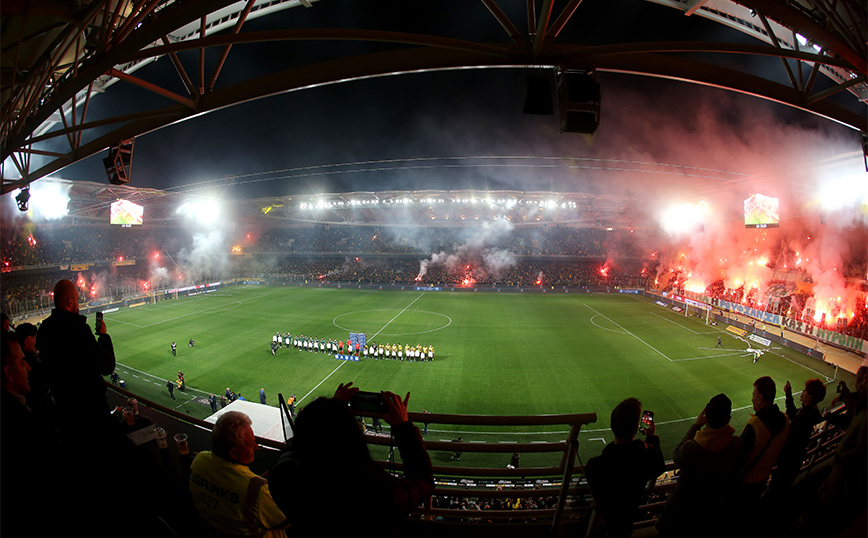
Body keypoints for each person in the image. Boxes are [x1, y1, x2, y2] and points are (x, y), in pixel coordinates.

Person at [268, 382, 434, 536]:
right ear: (352, 436)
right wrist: (403, 428)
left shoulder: (284, 477)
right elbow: (424, 483)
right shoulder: (372, 489)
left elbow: (299, 444)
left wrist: (330, 411)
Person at [655, 394, 742, 538]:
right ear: (728, 419)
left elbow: (677, 454)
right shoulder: (737, 445)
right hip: (710, 514)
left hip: (681, 515)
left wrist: (695, 426)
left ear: (705, 417)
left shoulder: (692, 449)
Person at [189, 411, 289, 537]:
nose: (256, 446)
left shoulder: (199, 461)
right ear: (234, 453)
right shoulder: (257, 490)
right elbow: (284, 520)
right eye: (251, 443)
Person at [35, 279, 116, 432]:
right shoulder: (78, 330)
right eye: (77, 301)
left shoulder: (44, 329)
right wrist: (104, 336)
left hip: (63, 408)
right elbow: (107, 366)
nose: (79, 305)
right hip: (89, 409)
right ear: (70, 302)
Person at [584, 397, 665, 538]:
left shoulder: (595, 465)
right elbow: (658, 466)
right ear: (635, 428)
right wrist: (651, 439)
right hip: (628, 518)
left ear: (611, 425)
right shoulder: (644, 457)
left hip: (604, 523)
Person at [727, 376, 790, 519]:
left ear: (760, 398)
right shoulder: (785, 421)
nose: (752, 399)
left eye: (754, 395)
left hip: (744, 485)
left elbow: (739, 458)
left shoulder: (755, 426)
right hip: (763, 480)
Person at [767, 379, 826, 494]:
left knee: (774, 492)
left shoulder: (805, 418)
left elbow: (791, 442)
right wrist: (788, 394)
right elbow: (792, 413)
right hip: (792, 463)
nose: (802, 392)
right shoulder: (808, 412)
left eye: (805, 391)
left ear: (810, 397)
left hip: (788, 464)